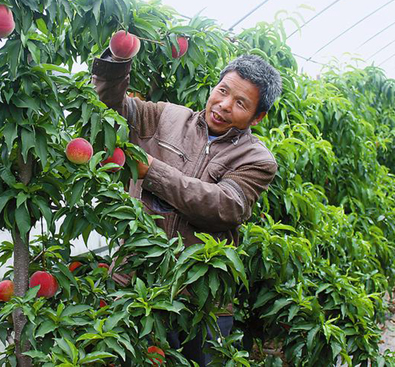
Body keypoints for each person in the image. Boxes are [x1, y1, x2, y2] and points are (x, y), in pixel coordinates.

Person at [91, 44, 282, 366]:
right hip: (136, 281)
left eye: (240, 103)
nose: (223, 105)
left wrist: (152, 172)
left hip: (201, 297)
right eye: (222, 91)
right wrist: (118, 60)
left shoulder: (257, 159)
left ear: (258, 116)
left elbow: (224, 205)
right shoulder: (165, 116)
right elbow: (109, 107)